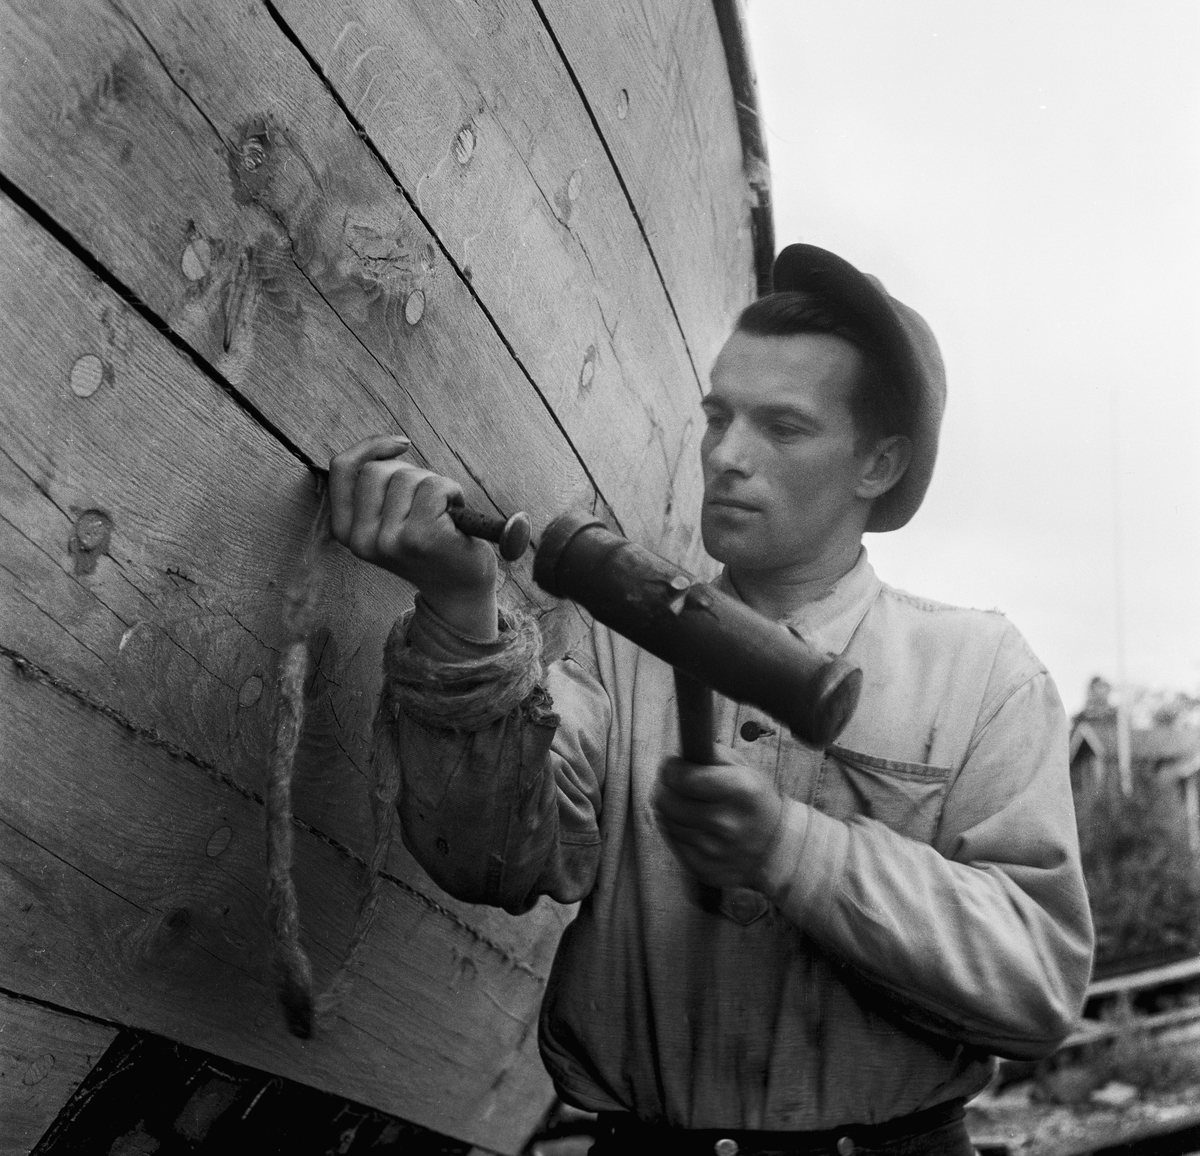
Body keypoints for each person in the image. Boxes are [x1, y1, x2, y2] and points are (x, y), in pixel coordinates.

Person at [329, 245, 1093, 1156]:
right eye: (717, 417)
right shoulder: (615, 647)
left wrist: (792, 849)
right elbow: (491, 865)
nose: (726, 456)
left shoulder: (980, 672)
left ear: (878, 464)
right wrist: (461, 615)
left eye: (784, 427)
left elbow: (1038, 985)